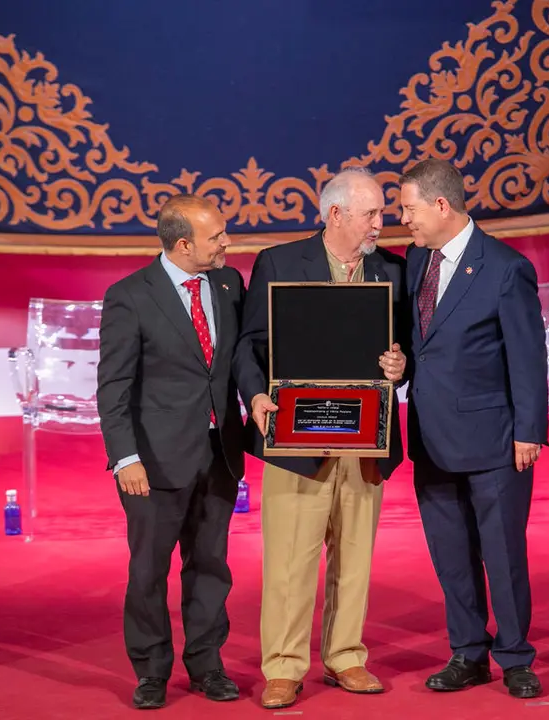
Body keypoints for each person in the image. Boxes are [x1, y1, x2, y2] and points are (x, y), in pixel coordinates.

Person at [236, 167, 408, 710]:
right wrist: (257, 398)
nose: (382, 223)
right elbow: (249, 346)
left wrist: (401, 366)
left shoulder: (393, 272)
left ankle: (346, 657)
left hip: (367, 438)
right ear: (336, 214)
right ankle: (284, 666)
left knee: (355, 554)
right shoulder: (280, 262)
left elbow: (409, 353)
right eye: (372, 214)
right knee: (291, 556)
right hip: (294, 436)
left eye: (382, 213)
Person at [399, 158, 547, 700]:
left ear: (441, 205)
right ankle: (467, 652)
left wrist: (529, 432)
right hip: (431, 438)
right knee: (450, 552)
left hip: (494, 440)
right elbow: (423, 346)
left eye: (409, 209)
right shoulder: (417, 263)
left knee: (502, 553)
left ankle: (515, 657)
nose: (404, 221)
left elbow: (528, 358)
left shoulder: (505, 268)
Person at [96, 194, 248, 709]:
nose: (227, 241)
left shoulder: (229, 285)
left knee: (210, 565)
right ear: (184, 244)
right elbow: (112, 387)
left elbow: (238, 360)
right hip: (153, 461)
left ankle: (207, 666)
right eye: (216, 236)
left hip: (218, 451)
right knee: (148, 571)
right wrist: (124, 457)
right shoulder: (129, 296)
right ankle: (152, 671)